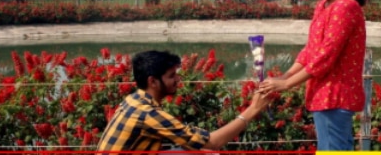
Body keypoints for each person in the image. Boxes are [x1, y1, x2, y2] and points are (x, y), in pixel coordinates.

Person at [259, 0, 366, 150]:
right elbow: (311, 49)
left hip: (335, 95)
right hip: (323, 95)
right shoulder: (323, 6)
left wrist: (287, 84)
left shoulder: (345, 6)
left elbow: (326, 56)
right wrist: (285, 76)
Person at [96, 50, 271, 153]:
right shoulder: (147, 114)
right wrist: (254, 108)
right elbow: (213, 142)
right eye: (171, 76)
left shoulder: (133, 100)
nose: (178, 80)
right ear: (152, 81)